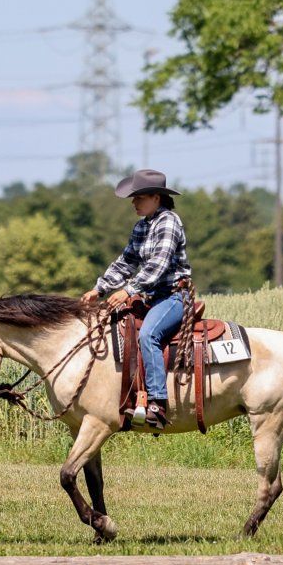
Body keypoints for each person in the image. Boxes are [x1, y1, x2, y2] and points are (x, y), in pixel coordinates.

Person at [80, 169, 192, 429]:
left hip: (174, 296)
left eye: (138, 197)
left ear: (156, 197)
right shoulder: (142, 226)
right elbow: (126, 262)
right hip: (152, 297)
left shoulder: (169, 222)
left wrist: (129, 291)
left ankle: (157, 403)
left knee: (148, 335)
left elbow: (158, 264)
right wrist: (100, 288)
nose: (133, 202)